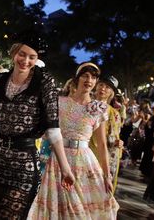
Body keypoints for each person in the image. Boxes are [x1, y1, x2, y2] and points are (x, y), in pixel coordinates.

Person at [0, 39, 75, 220]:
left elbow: (53, 130)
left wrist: (65, 169)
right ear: (13, 53)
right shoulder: (1, 79)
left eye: (32, 57)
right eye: (22, 54)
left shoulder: (44, 82)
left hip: (24, 167)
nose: (25, 60)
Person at [29, 62, 119, 219]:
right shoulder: (59, 102)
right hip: (58, 160)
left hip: (84, 162)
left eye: (93, 77)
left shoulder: (99, 108)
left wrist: (107, 175)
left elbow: (102, 144)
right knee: (58, 208)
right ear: (77, 78)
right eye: (85, 75)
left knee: (81, 209)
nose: (89, 80)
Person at [90, 75, 124, 193]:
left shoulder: (114, 113)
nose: (103, 88)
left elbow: (115, 135)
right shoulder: (86, 106)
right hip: (86, 155)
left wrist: (118, 142)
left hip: (107, 157)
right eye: (101, 85)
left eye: (107, 87)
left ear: (112, 93)